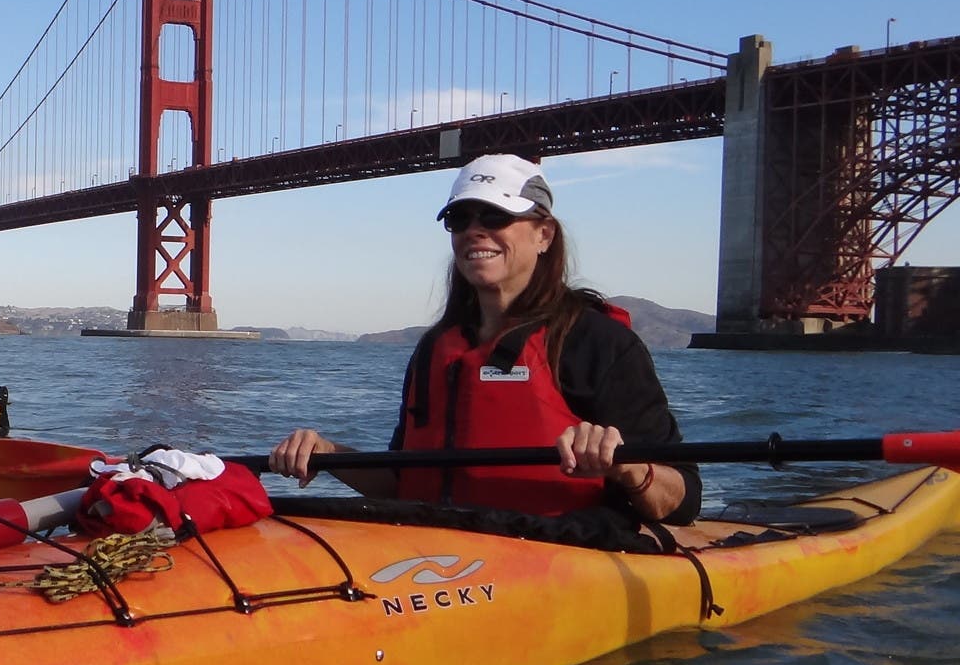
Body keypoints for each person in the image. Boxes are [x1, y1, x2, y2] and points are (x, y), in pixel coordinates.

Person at [269, 154, 700, 527]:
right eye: (461, 219)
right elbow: (403, 483)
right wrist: (328, 453)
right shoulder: (436, 349)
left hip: (554, 549)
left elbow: (683, 499)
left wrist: (627, 467)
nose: (475, 231)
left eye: (495, 217)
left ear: (543, 235)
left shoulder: (597, 343)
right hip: (436, 549)